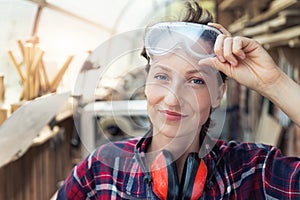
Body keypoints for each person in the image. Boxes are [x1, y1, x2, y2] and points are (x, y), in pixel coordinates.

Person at [57, 1, 300, 199]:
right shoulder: (100, 172)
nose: (173, 99)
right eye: (162, 76)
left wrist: (274, 82)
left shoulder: (252, 171)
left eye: (196, 81)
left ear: (219, 93)